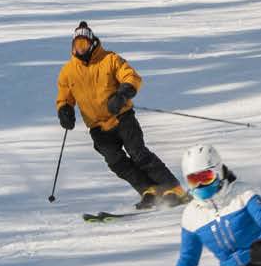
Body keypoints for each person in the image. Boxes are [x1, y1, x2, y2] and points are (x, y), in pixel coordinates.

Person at [57, 21, 189, 211]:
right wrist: (64, 110)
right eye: (76, 46)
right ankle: (148, 190)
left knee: (138, 153)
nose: (80, 49)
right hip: (97, 127)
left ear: (92, 43)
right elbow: (64, 97)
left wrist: (122, 94)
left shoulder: (110, 59)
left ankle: (173, 188)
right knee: (116, 162)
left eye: (83, 44)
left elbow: (131, 76)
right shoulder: (68, 72)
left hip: (122, 117)